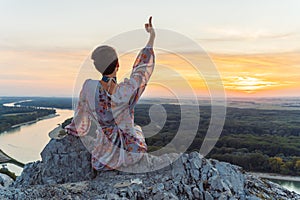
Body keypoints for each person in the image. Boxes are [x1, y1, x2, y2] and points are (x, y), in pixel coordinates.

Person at [64, 17, 155, 171]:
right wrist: (152, 37)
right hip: (129, 150)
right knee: (137, 130)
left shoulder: (88, 87)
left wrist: (74, 129)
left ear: (98, 67)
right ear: (118, 65)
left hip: (103, 153)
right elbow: (142, 68)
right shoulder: (126, 91)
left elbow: (80, 112)